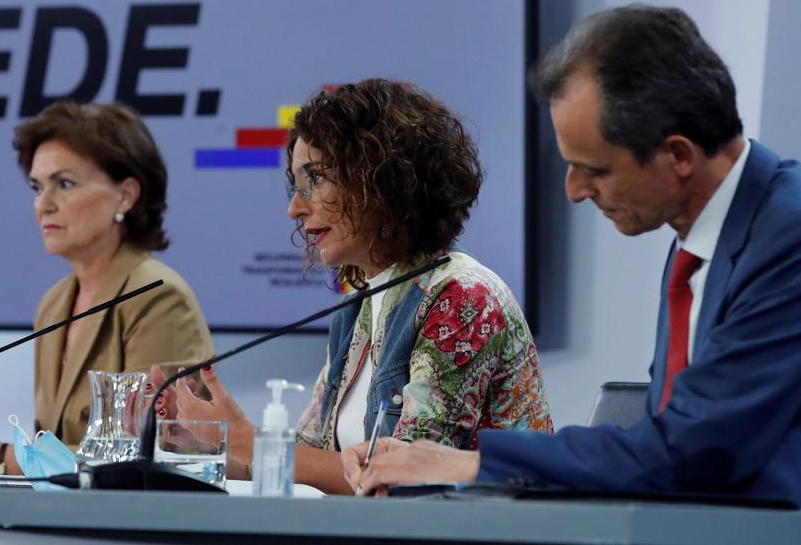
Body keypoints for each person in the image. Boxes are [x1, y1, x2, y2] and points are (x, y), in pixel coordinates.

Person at [343, 5, 801, 513]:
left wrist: (471, 463)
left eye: (593, 170)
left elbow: (691, 453)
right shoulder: (701, 238)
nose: (574, 191)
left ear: (678, 155)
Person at [153, 79, 553, 495]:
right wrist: (204, 444)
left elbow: (403, 481)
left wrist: (251, 442)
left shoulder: (464, 299)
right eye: (296, 183)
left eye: (317, 178)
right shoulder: (358, 304)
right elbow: (311, 458)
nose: (295, 207)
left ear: (387, 181)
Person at [0, 102, 215, 475]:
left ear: (125, 196)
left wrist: (0, 454)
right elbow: (53, 441)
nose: (44, 205)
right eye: (37, 188)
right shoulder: (54, 303)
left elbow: (153, 453)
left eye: (65, 184)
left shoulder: (158, 297)